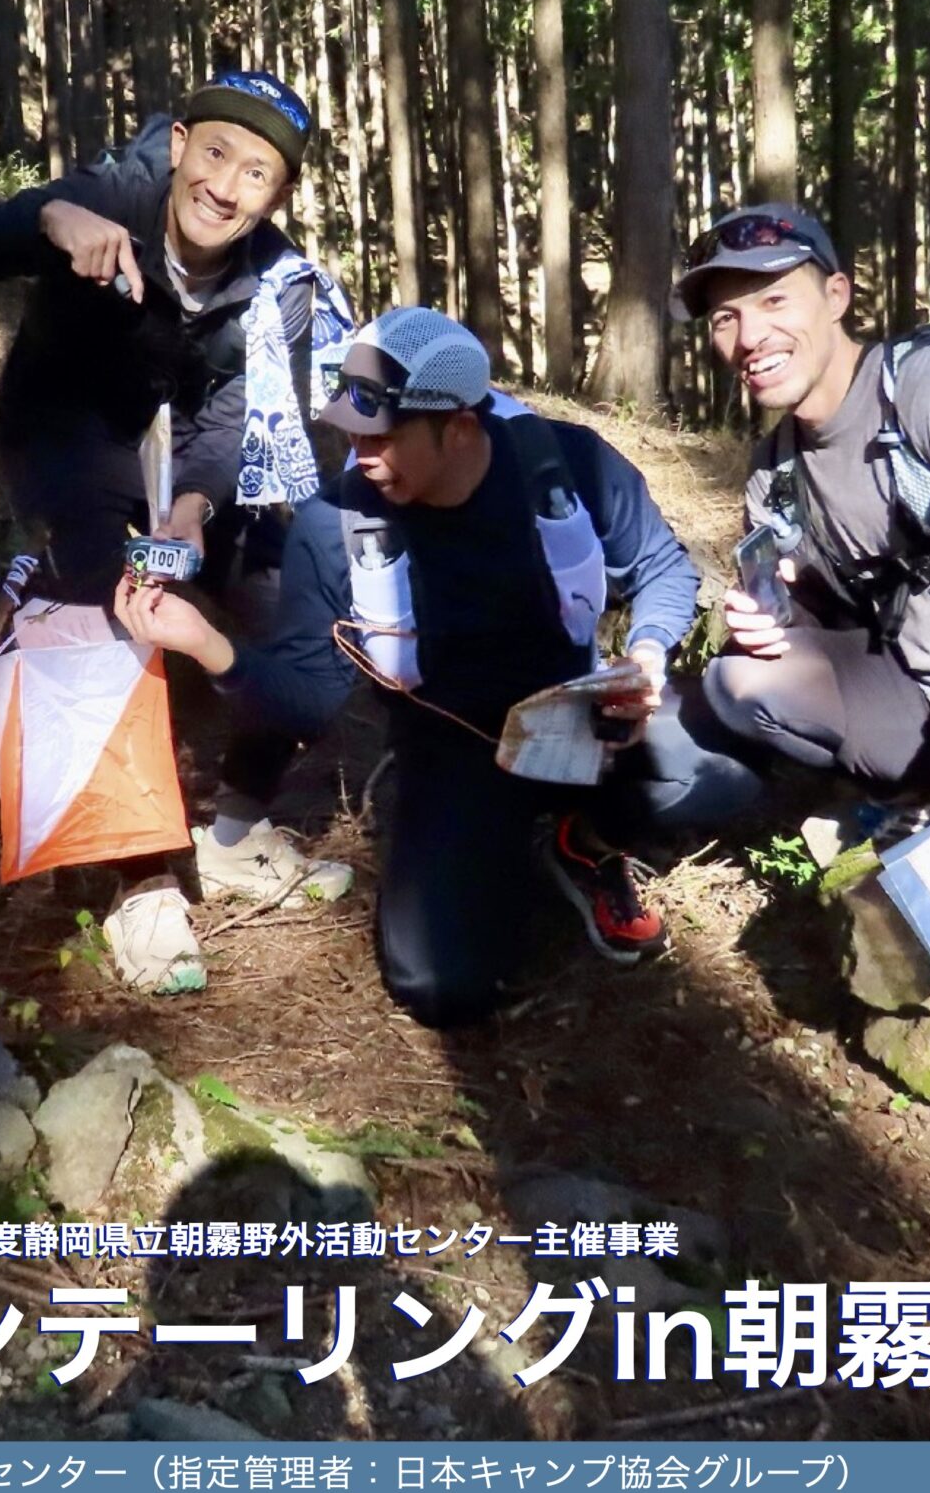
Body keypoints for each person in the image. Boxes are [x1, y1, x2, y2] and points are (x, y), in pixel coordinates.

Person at [114, 308, 764, 1029]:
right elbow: (308, 699)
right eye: (352, 433)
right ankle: (492, 845)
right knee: (437, 984)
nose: (361, 455)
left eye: (382, 436)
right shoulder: (333, 526)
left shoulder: (565, 464)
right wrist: (207, 643)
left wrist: (643, 655)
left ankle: (583, 844)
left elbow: (662, 568)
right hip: (454, 751)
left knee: (726, 774)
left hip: (584, 718)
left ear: (457, 427)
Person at [0, 70, 354, 992]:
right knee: (103, 598)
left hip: (184, 460)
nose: (223, 187)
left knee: (285, 583)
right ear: (178, 145)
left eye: (256, 175)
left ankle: (234, 826)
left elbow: (236, 416)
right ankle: (138, 877)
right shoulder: (107, 197)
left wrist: (194, 509)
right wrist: (45, 220)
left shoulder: (281, 284)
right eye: (214, 154)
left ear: (278, 197)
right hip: (67, 435)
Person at [673, 204, 930, 876]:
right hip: (926, 702)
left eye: (774, 300)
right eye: (724, 317)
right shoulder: (775, 471)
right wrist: (778, 620)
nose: (750, 336)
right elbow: (834, 620)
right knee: (738, 680)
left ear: (836, 296)